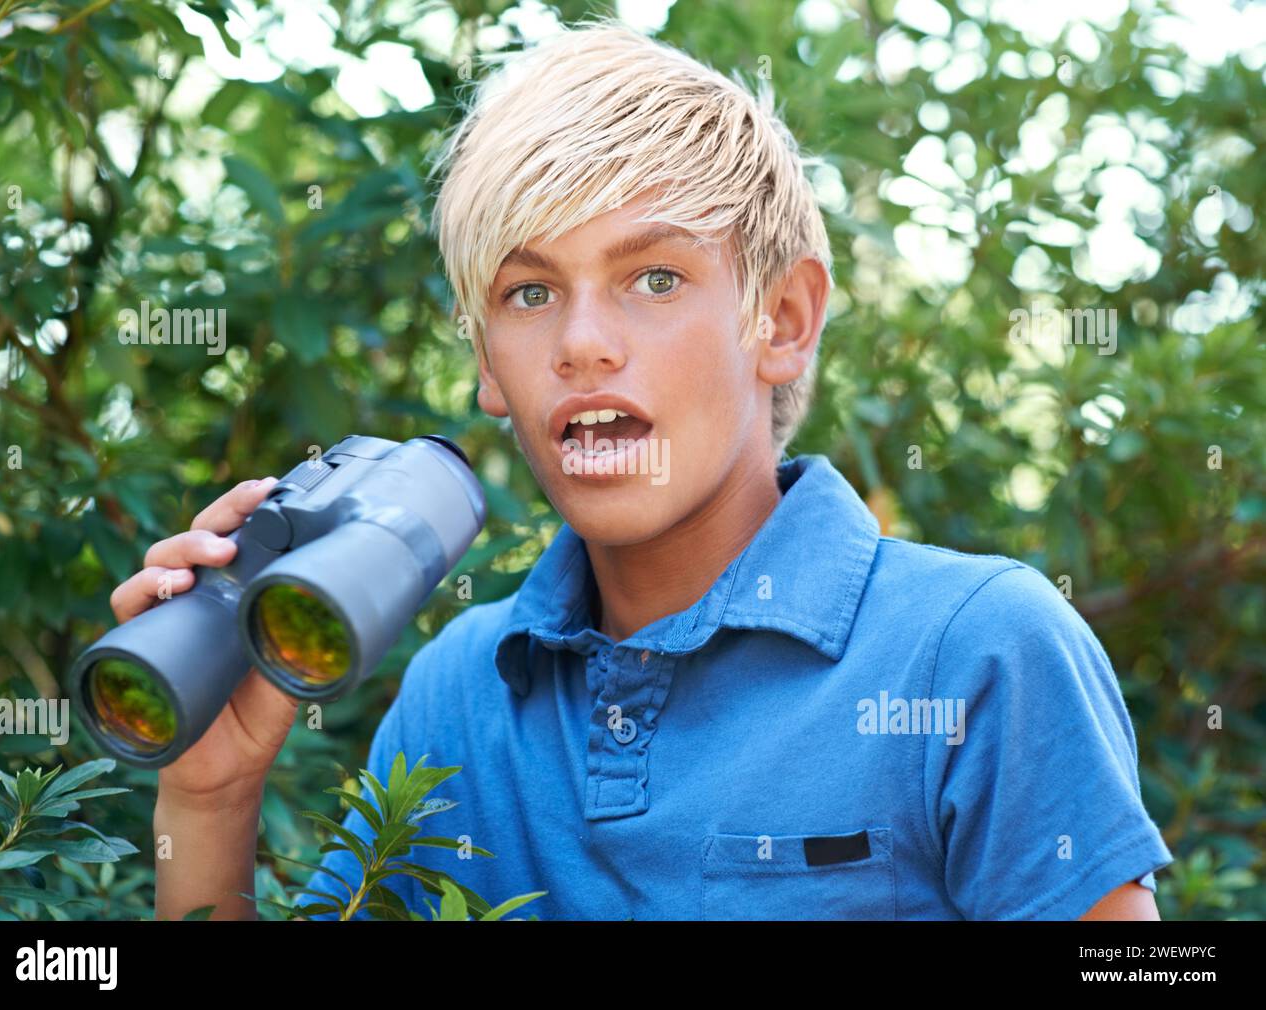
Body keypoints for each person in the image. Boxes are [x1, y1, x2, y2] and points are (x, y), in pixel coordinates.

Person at [127, 18, 1172, 921]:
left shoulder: (975, 651)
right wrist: (211, 802)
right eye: (529, 293)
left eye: (654, 276)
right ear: (488, 363)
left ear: (785, 319)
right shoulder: (458, 695)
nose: (582, 342)